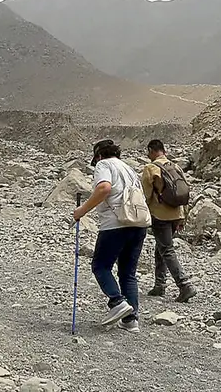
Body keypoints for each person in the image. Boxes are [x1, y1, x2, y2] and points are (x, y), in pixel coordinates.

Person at [73, 140, 148, 333]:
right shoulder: (129, 168)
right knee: (127, 272)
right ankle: (131, 320)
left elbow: (104, 188)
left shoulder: (104, 164)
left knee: (100, 266)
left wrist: (82, 210)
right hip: (139, 223)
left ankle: (117, 302)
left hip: (115, 224)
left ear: (98, 155)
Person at [141, 139, 198, 303]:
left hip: (160, 215)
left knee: (166, 249)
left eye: (148, 152)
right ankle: (159, 284)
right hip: (175, 214)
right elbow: (183, 191)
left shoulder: (150, 168)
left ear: (152, 150)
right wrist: (182, 217)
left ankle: (184, 285)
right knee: (161, 247)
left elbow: (145, 195)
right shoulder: (176, 167)